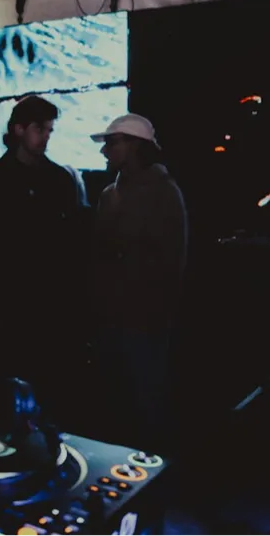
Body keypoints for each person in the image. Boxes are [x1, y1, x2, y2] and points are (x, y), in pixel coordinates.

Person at [0, 96, 89, 422]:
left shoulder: (59, 180)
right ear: (19, 129)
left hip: (50, 307)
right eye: (40, 129)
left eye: (49, 130)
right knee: (5, 391)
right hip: (7, 307)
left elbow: (71, 246)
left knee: (47, 391)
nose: (46, 136)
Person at [89, 113, 187, 449]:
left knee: (145, 404)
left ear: (134, 146)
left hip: (145, 322)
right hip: (109, 320)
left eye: (111, 143)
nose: (105, 151)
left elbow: (171, 264)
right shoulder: (109, 195)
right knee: (112, 403)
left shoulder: (165, 193)